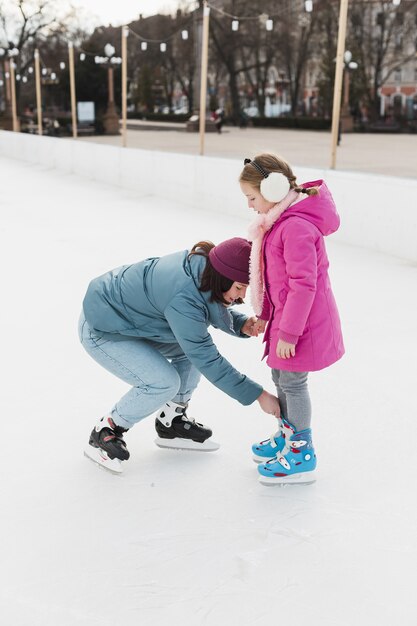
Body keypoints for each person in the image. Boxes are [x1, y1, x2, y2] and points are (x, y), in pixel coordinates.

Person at [79, 237, 280, 473]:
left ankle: (170, 421)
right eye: (238, 288)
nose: (241, 297)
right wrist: (258, 395)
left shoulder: (206, 269)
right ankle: (107, 429)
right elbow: (206, 355)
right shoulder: (183, 296)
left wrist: (241, 323)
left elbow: (205, 305)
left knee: (189, 352)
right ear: (222, 277)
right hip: (103, 328)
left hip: (137, 322)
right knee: (163, 382)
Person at [239, 154, 345, 485]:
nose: (250, 206)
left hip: (302, 325)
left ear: (272, 189)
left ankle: (301, 451)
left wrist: (288, 333)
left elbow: (304, 285)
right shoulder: (279, 223)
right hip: (287, 321)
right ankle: (289, 436)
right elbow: (275, 281)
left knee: (293, 382)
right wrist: (269, 319)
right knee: (281, 376)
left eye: (252, 198)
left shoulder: (295, 227)